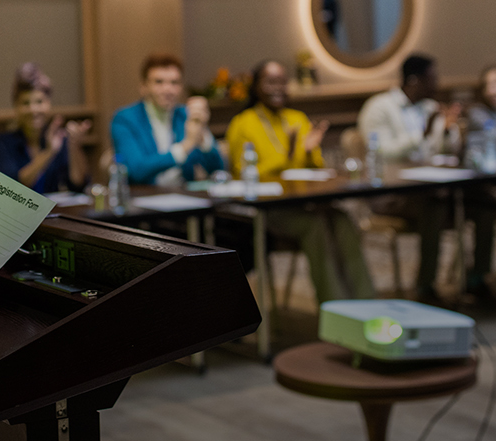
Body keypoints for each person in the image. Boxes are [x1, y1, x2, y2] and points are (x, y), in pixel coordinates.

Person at [227, 60, 376, 302]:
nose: (279, 88)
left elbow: (316, 167)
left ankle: (367, 302)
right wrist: (289, 153)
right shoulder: (243, 124)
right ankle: (335, 309)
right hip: (270, 210)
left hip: (304, 201)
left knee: (342, 220)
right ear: (256, 87)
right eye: (271, 82)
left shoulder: (297, 118)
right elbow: (245, 173)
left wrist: (307, 151)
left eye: (283, 82)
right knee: (315, 227)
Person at [356, 54, 461, 302]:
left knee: (478, 201)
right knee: (434, 205)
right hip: (390, 193)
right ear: (414, 81)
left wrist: (446, 130)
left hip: (429, 186)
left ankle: (475, 279)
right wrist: (420, 135)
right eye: (431, 79)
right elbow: (381, 152)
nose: (437, 84)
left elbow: (446, 150)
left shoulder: (430, 108)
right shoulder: (379, 107)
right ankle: (426, 286)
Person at [110, 53, 225, 187]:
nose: (168, 89)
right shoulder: (125, 119)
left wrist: (203, 137)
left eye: (174, 83)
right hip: (143, 200)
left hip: (184, 198)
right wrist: (186, 146)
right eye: (159, 82)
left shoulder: (186, 115)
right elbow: (136, 170)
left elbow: (218, 170)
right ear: (144, 87)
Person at [0, 62, 91, 194]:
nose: (33, 110)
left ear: (49, 103)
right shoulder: (6, 142)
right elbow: (13, 187)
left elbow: (77, 185)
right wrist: (49, 152)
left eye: (39, 102)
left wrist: (74, 146)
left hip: (54, 213)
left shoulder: (59, 138)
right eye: (25, 103)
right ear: (16, 107)